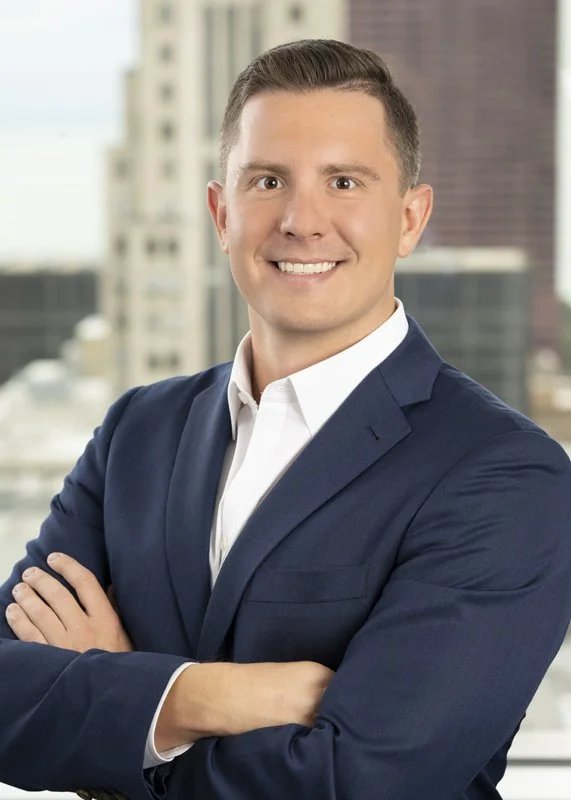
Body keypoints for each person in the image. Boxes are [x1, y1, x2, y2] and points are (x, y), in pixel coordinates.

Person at [1, 38, 570, 800]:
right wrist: (200, 697)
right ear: (220, 213)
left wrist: (115, 712)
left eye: (343, 182)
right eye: (267, 181)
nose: (302, 221)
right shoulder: (138, 432)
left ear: (409, 219)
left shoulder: (503, 474)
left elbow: (360, 783)